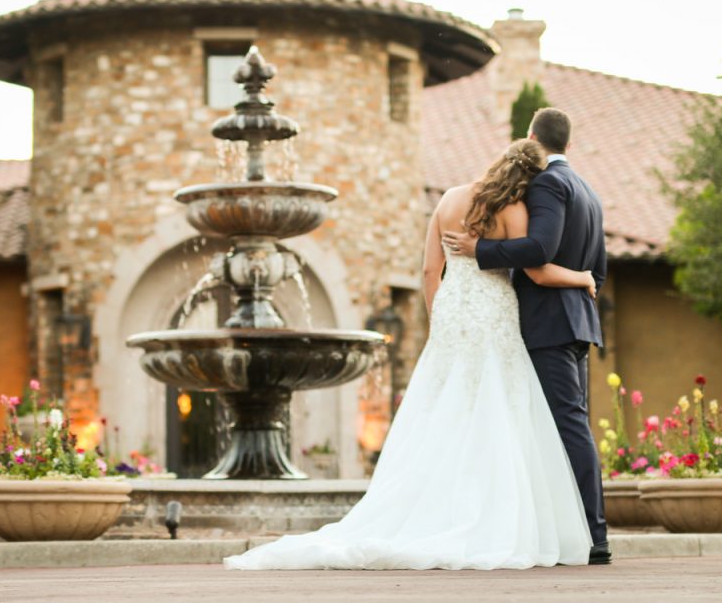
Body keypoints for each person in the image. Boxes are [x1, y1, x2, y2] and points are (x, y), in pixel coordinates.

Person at [224, 137, 594, 571]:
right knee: (499, 408)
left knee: (445, 410)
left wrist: (439, 321)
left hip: (453, 311)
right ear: (528, 178)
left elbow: (427, 271)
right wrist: (582, 277)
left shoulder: (449, 200)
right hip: (493, 311)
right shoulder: (514, 208)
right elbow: (535, 267)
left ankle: (428, 508)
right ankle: (488, 512)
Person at [443, 107, 610, 565]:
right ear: (569, 145)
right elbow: (599, 270)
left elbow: (539, 251)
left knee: (568, 427)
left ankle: (593, 537)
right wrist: (582, 284)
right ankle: (576, 531)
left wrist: (481, 249)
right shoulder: (589, 191)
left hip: (550, 323)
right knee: (568, 426)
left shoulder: (548, 184)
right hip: (577, 320)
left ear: (531, 136)